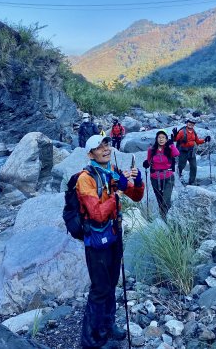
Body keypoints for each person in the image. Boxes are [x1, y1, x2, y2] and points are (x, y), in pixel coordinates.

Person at [77, 135, 144, 349]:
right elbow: (96, 213)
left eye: (106, 144)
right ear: (90, 154)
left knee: (112, 284)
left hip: (114, 236)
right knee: (100, 289)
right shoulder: (85, 179)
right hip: (95, 241)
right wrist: (115, 190)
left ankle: (107, 325)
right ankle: (90, 341)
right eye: (99, 146)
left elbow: (135, 196)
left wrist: (137, 181)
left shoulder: (112, 169)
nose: (105, 148)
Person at [142, 130, 179, 220]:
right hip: (155, 178)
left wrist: (172, 144)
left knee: (166, 200)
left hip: (168, 177)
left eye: (163, 137)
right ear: (156, 139)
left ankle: (169, 218)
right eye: (159, 137)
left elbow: (176, 154)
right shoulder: (151, 150)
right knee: (159, 200)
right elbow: (149, 161)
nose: (161, 139)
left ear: (166, 139)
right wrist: (146, 163)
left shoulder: (169, 149)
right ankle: (163, 219)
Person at [173, 118, 211, 185]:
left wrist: (205, 140)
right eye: (189, 122)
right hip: (183, 152)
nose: (191, 124)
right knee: (181, 166)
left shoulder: (194, 132)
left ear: (194, 125)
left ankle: (191, 181)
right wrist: (175, 135)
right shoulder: (182, 131)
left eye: (192, 123)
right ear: (187, 123)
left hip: (191, 152)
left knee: (194, 166)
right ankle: (178, 180)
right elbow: (175, 139)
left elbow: (197, 141)